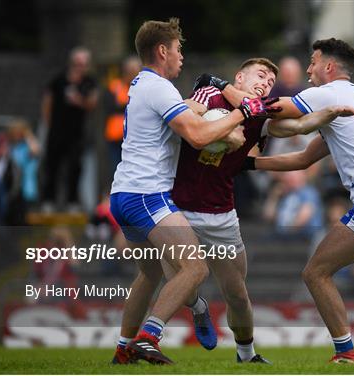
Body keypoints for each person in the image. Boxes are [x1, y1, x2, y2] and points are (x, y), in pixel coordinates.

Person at [208, 37, 354, 364]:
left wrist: (223, 88)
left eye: (313, 61)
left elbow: (268, 111)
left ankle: (346, 352)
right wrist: (247, 164)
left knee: (315, 273)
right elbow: (303, 159)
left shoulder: (326, 93)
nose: (308, 69)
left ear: (329, 67)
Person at [109, 19, 281, 365]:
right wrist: (241, 113)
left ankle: (123, 351)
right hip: (148, 195)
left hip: (123, 193)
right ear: (162, 51)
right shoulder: (159, 87)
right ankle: (149, 336)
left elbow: (197, 118)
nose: (181, 57)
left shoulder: (143, 85)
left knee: (150, 274)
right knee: (195, 270)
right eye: (177, 50)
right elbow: (199, 137)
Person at [41, 46, 99, 212]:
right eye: (77, 63)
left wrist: (78, 100)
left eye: (83, 64)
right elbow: (47, 102)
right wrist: (48, 125)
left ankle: (72, 201)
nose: (80, 67)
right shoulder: (58, 79)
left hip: (77, 134)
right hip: (56, 132)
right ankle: (48, 201)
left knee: (75, 168)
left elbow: (92, 104)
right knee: (52, 166)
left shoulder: (90, 82)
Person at [104, 56, 142, 179]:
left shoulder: (142, 87)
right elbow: (110, 107)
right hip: (116, 135)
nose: (132, 73)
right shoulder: (114, 86)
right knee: (116, 171)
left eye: (135, 70)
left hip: (135, 136)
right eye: (130, 70)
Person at [263, 170, 323, 241]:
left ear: (302, 177)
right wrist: (274, 196)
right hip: (284, 235)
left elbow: (304, 216)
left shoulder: (308, 192)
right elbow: (268, 216)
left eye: (291, 177)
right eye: (287, 177)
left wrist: (287, 231)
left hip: (304, 236)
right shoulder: (285, 195)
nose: (287, 179)